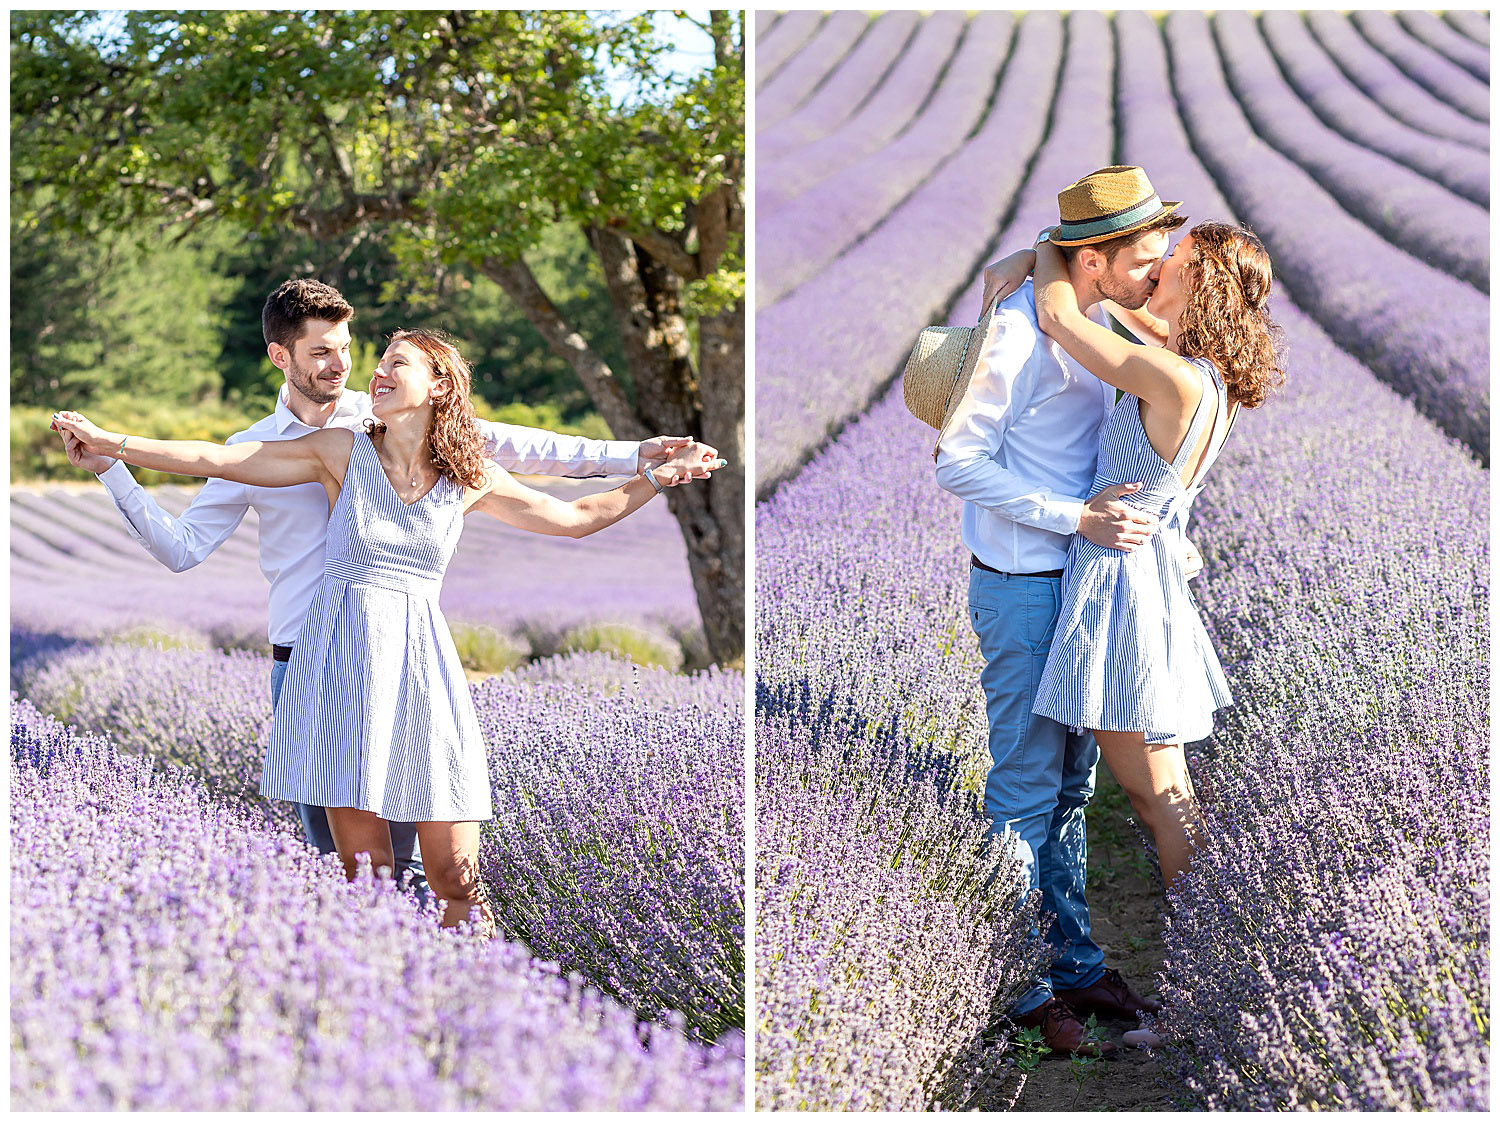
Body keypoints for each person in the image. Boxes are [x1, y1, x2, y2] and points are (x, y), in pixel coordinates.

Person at [53, 327, 724, 935]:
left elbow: (576, 515)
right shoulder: (340, 450)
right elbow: (215, 460)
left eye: (393, 363)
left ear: (437, 385)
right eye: (376, 363)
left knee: (456, 879)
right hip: (340, 671)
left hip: (422, 671)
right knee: (367, 879)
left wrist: (653, 474)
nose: (372, 372)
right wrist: (114, 445)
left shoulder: (470, 473)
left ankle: (480, 1002)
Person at [933, 167, 1193, 1058]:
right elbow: (955, 462)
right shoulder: (1014, 333)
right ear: (1094, 259)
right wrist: (1070, 517)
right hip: (1026, 582)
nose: (1155, 275)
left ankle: (1075, 959)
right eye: (1143, 261)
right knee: (1023, 789)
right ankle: (1021, 986)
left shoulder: (1100, 319)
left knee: (1071, 791)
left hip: (1086, 586)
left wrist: (1037, 255)